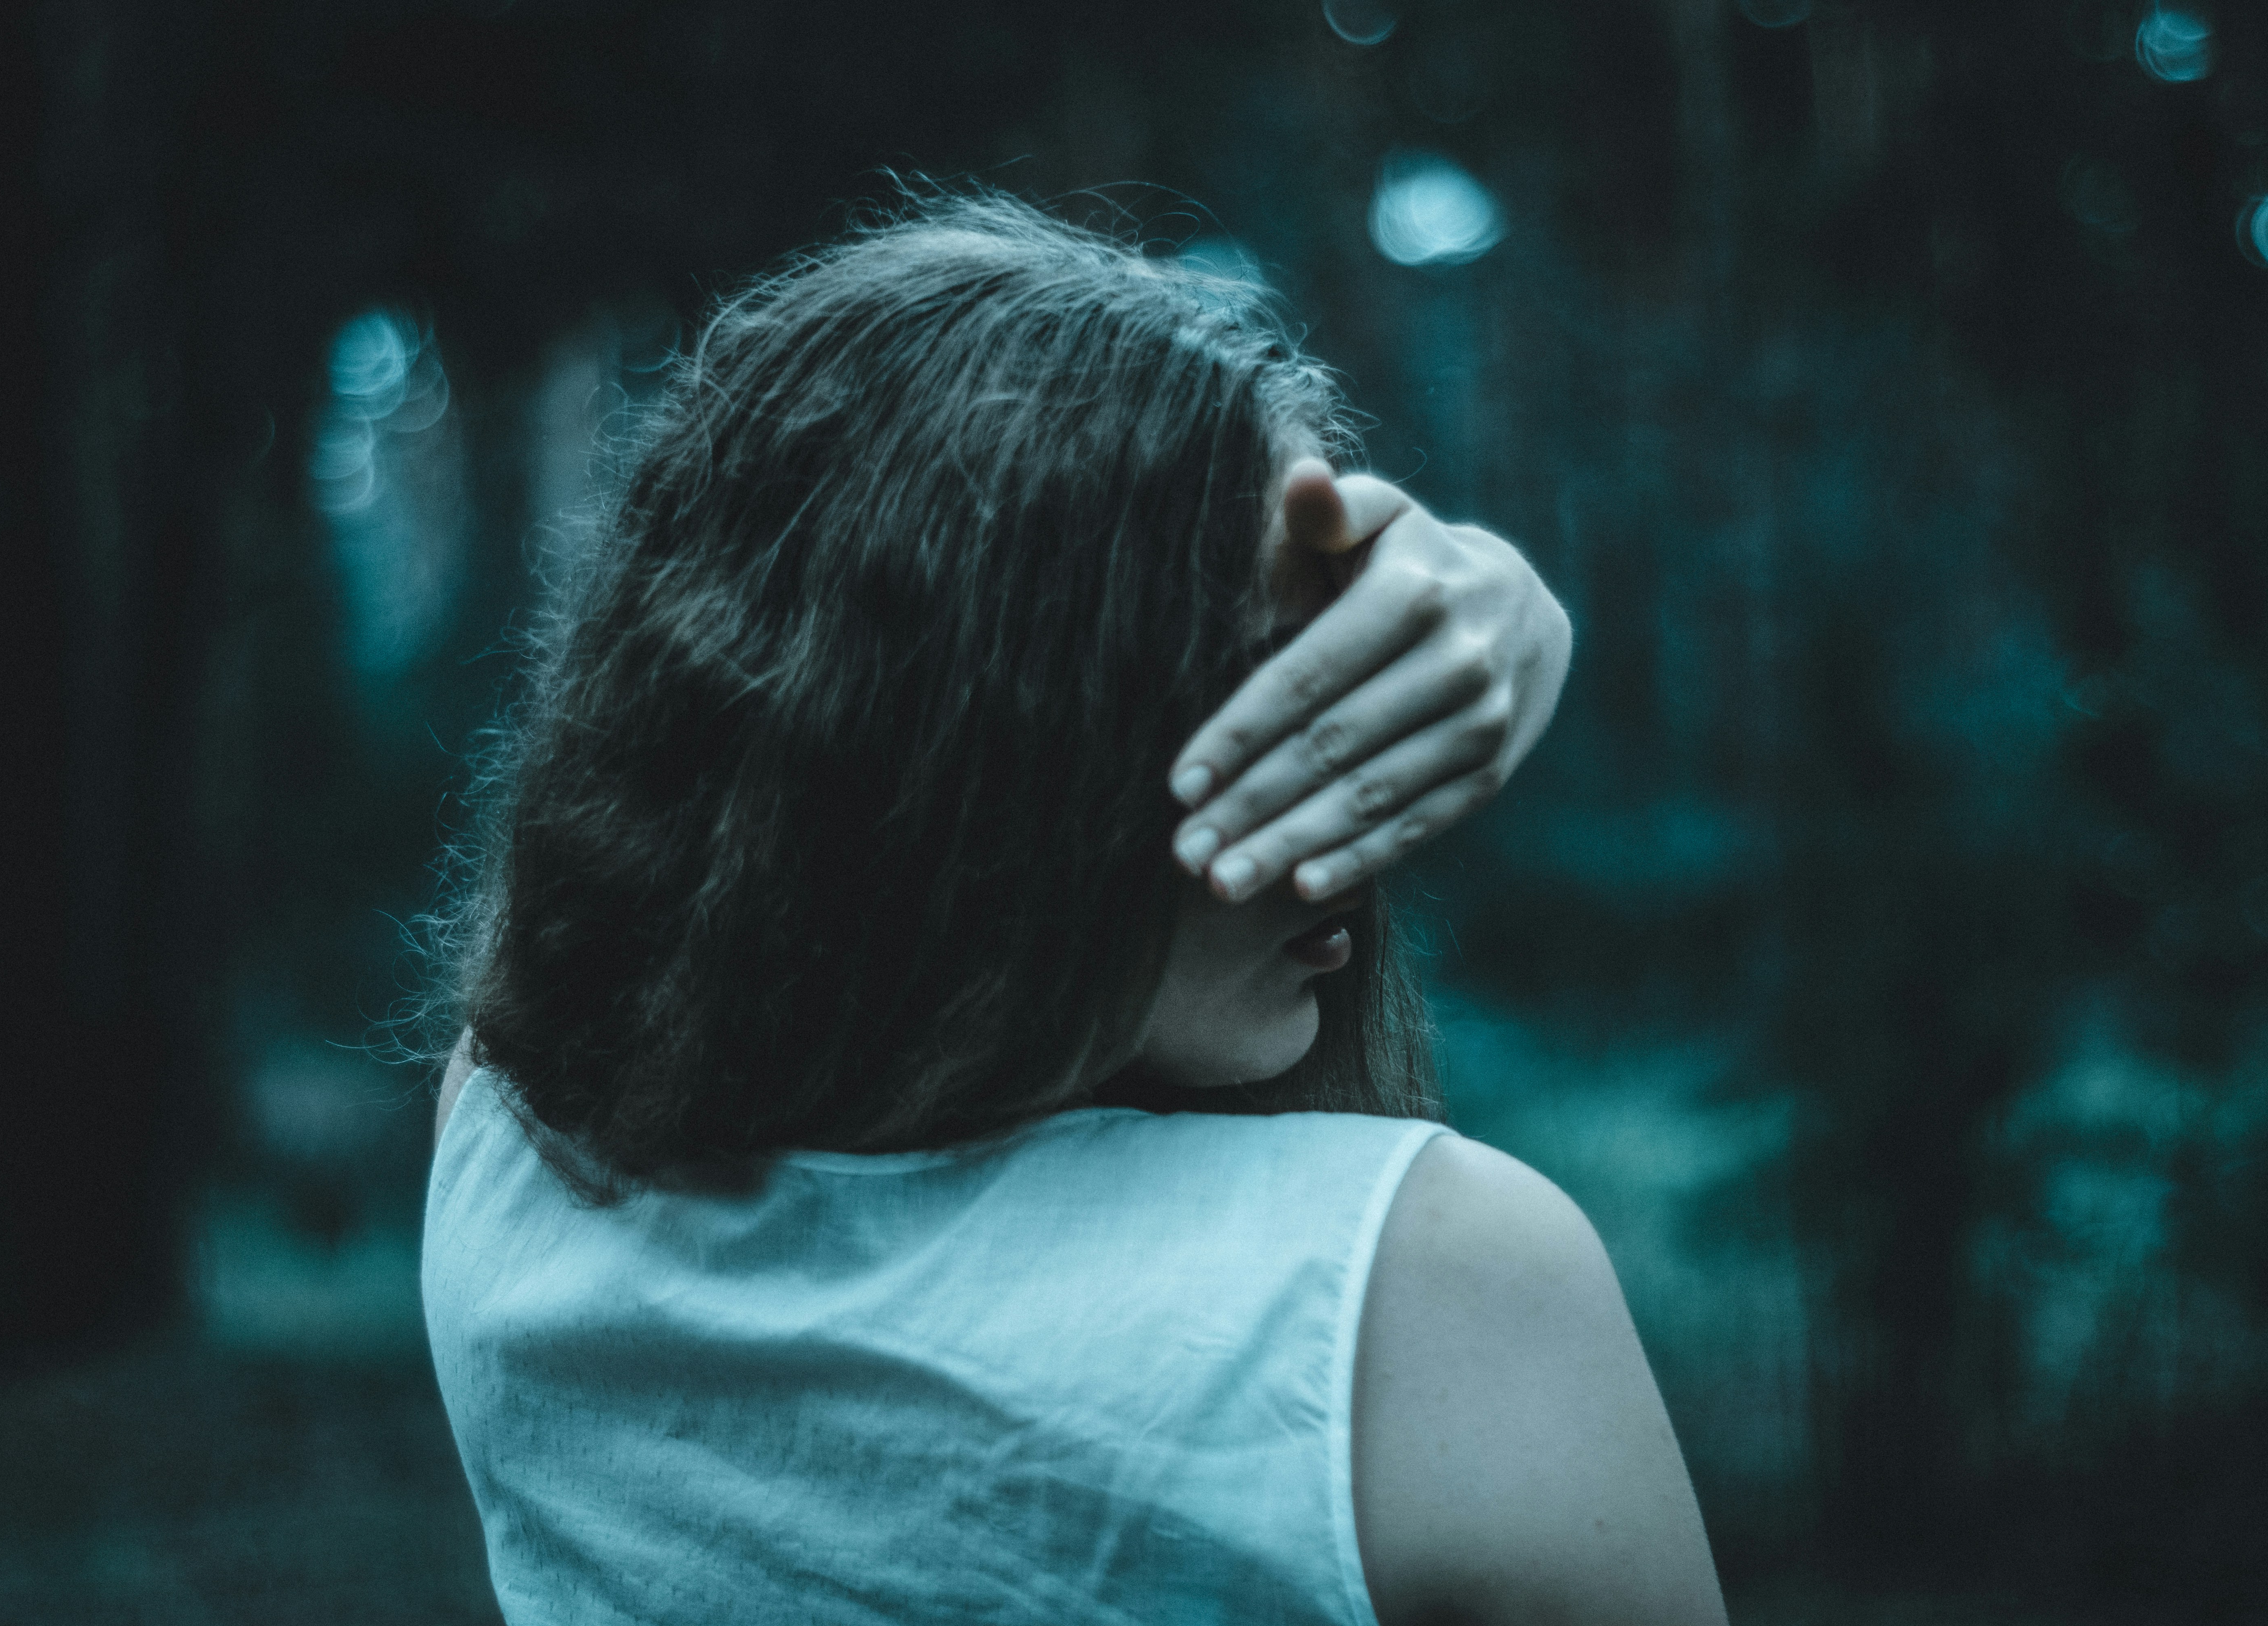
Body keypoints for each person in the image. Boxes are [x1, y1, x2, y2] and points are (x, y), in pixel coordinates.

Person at [421, 189, 1726, 1626]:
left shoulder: (515, 1158)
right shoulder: (1420, 1296)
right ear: (976, 754)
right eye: (1242, 707)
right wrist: (1512, 601)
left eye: (1346, 698)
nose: (1351, 834)